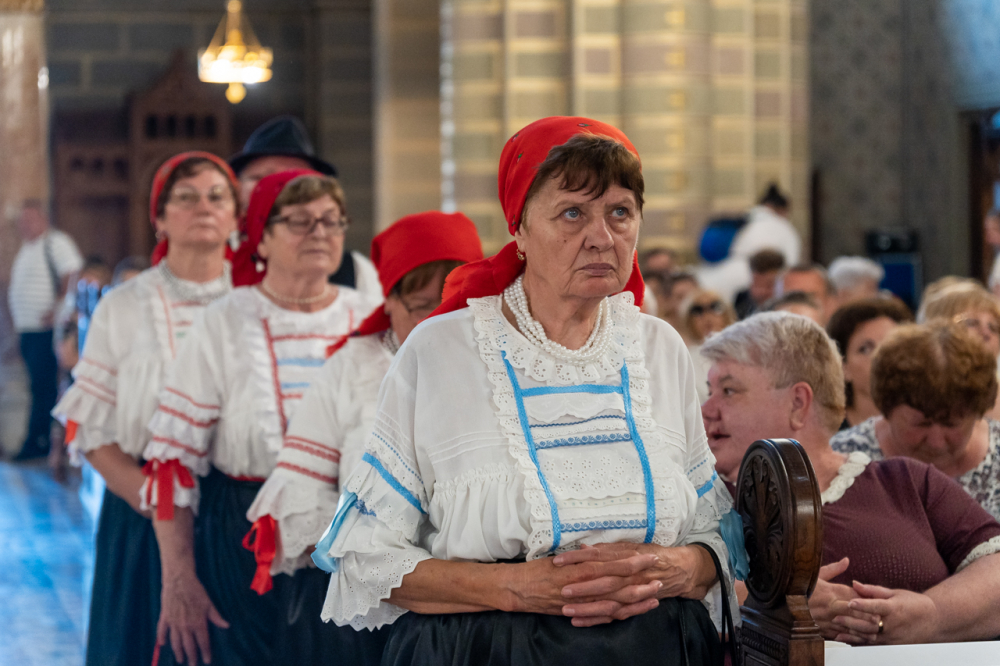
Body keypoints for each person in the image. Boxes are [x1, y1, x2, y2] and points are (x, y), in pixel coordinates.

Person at [313, 117, 741, 666]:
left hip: (656, 647)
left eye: (620, 212)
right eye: (572, 213)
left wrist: (680, 569)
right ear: (519, 229)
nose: (601, 237)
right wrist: (515, 589)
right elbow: (367, 558)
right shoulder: (440, 351)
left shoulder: (659, 347)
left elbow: (714, 532)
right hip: (490, 649)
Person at [141, 169, 378, 666]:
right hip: (244, 537)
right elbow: (172, 465)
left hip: (357, 536)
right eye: (300, 221)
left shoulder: (368, 317)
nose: (319, 233)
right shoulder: (225, 320)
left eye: (331, 220)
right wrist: (178, 578)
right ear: (261, 239)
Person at [244, 210, 483, 664]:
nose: (439, 319)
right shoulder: (352, 367)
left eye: (456, 302)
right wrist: (371, 552)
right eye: (422, 305)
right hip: (365, 611)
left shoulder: (496, 363)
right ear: (388, 300)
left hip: (471, 604)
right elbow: (299, 497)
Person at [700, 312, 1000, 645]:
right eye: (709, 391)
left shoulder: (904, 481)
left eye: (728, 391)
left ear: (798, 403)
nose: (706, 410)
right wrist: (771, 607)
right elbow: (675, 598)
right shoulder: (699, 503)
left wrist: (933, 615)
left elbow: (995, 567)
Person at [50, 152, 241, 666]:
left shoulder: (257, 300)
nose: (203, 207)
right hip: (140, 511)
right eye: (186, 197)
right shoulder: (124, 305)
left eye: (217, 196)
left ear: (236, 216)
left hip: (238, 517)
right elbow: (89, 429)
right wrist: (159, 504)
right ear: (159, 217)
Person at [831, 321, 1000, 520]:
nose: (936, 442)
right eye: (921, 424)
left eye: (951, 423)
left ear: (978, 412)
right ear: (887, 408)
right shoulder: (842, 459)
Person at [227, 115, 382, 305]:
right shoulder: (216, 258)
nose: (280, 188)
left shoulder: (356, 270)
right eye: (261, 178)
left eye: (296, 180)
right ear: (237, 187)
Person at [8, 199, 83, 460]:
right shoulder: (27, 248)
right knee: (37, 386)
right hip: (28, 329)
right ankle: (38, 440)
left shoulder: (56, 242)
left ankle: (39, 442)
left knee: (44, 387)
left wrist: (59, 307)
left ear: (43, 219)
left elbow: (72, 273)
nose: (25, 225)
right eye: (22, 221)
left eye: (31, 219)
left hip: (46, 330)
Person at [696, 184, 801, 303]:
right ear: (781, 209)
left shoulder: (744, 219)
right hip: (751, 282)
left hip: (719, 275)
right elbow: (791, 266)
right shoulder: (783, 227)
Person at [827, 298, 913, 429]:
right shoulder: (825, 433)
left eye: (892, 344)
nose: (881, 357)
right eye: (866, 349)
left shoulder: (928, 425)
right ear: (843, 367)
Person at [918, 282, 1000, 419]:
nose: (986, 333)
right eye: (972, 323)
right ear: (938, 328)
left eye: (993, 327)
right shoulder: (915, 391)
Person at [680, 289, 737, 403]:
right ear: (688, 320)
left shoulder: (745, 353)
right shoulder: (685, 360)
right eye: (697, 310)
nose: (707, 316)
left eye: (715, 307)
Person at [733, 249, 785, 320]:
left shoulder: (791, 305)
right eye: (756, 284)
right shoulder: (741, 300)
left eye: (769, 285)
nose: (760, 292)